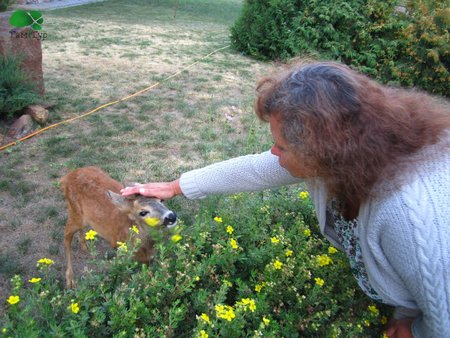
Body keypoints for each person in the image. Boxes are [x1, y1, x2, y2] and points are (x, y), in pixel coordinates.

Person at [121, 61, 450, 337]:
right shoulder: (352, 156)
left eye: (283, 147)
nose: (274, 153)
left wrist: (418, 328)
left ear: (325, 151)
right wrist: (176, 186)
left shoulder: (408, 216)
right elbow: (258, 168)